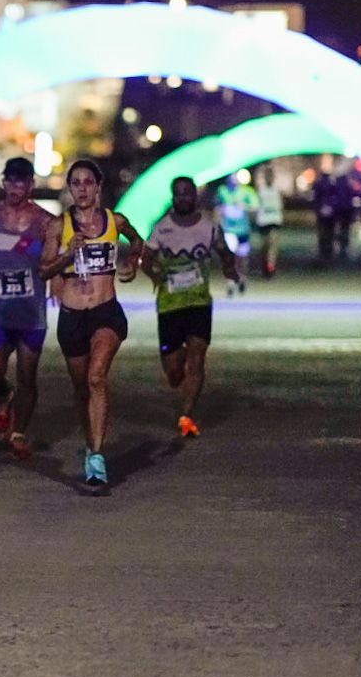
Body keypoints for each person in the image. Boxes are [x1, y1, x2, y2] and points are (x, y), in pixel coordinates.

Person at [40, 159, 143, 494]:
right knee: (82, 389)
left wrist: (132, 262)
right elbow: (42, 271)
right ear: (70, 188)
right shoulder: (59, 226)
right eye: (76, 183)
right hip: (72, 317)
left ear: (98, 187)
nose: (82, 189)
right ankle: (91, 445)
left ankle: (97, 456)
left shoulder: (116, 220)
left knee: (97, 377)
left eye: (88, 182)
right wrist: (67, 256)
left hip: (106, 312)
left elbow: (137, 240)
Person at [140, 176, 240, 440]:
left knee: (197, 358)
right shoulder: (162, 228)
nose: (183, 198)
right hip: (169, 305)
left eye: (188, 193)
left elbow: (224, 251)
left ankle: (186, 415)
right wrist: (154, 272)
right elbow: (146, 259)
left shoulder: (208, 227)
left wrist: (230, 268)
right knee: (174, 373)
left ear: (195, 196)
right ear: (172, 197)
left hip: (198, 303)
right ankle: (179, 366)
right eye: (178, 194)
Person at [0, 157, 53, 460]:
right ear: (3, 182)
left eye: (21, 181)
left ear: (31, 185)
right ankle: (4, 395)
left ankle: (19, 432)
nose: (14, 187)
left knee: (28, 376)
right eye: (10, 180)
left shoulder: (45, 221)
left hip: (30, 312)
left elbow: (51, 262)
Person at [215, 172, 259, 295]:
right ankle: (230, 281)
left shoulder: (247, 192)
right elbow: (217, 208)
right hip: (229, 230)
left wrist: (244, 206)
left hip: (243, 230)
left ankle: (242, 277)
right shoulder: (222, 191)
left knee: (242, 256)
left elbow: (255, 207)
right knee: (230, 255)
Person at [254, 165, 284, 278]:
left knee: (272, 244)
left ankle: (271, 267)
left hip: (274, 220)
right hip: (263, 220)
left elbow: (281, 205)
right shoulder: (261, 189)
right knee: (264, 246)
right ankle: (265, 265)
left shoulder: (277, 189)